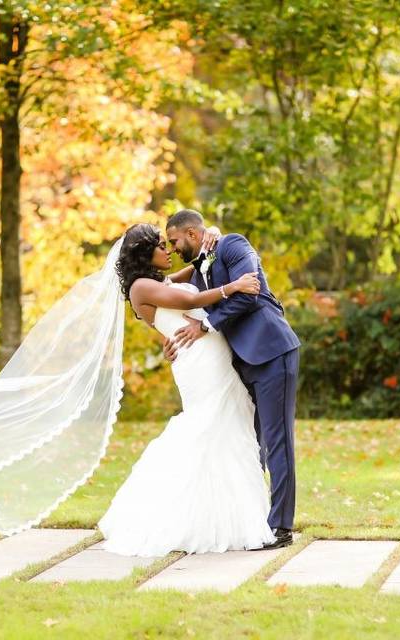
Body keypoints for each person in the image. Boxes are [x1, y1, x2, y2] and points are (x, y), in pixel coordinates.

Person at [97, 222, 276, 556]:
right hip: (200, 365)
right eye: (161, 246)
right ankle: (174, 517)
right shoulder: (141, 288)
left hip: (206, 357)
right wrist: (233, 287)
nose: (168, 251)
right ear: (145, 253)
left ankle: (227, 516)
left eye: (169, 244)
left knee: (227, 430)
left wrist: (212, 233)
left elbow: (196, 268)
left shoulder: (155, 282)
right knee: (206, 428)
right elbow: (190, 297)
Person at [163, 209, 301, 550]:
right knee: (249, 442)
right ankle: (254, 519)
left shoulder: (233, 246)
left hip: (271, 352)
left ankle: (281, 527)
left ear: (192, 235)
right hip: (239, 363)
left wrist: (205, 326)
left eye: (175, 240)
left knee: (277, 439)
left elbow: (249, 293)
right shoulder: (198, 268)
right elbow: (178, 290)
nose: (172, 246)